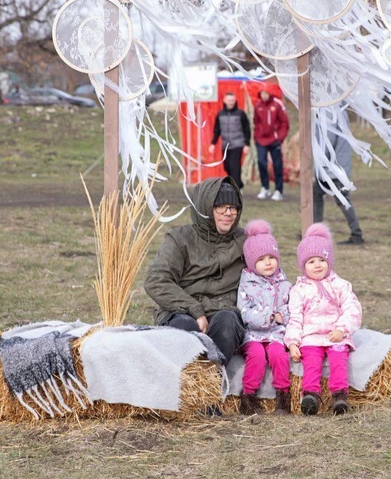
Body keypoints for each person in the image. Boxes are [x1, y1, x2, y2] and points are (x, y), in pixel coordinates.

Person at [144, 177, 246, 365]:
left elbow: (269, 275)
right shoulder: (180, 238)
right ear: (206, 209)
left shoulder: (244, 241)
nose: (228, 213)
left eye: (233, 207)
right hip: (182, 309)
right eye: (220, 207)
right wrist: (195, 310)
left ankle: (213, 381)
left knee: (226, 323)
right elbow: (156, 280)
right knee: (185, 328)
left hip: (223, 310)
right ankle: (185, 383)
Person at [285, 223, 362, 416]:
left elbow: (352, 309)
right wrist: (293, 342)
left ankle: (339, 396)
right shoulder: (299, 290)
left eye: (321, 259)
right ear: (303, 266)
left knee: (338, 359)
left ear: (329, 261)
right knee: (311, 361)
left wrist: (342, 330)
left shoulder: (340, 285)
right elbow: (295, 318)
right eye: (311, 262)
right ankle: (310, 394)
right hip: (311, 337)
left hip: (335, 334)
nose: (317, 265)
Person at [237, 220, 292, 416]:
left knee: (279, 355)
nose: (268, 262)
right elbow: (244, 311)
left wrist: (281, 316)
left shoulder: (284, 283)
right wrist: (267, 317)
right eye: (261, 259)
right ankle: (249, 396)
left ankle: (283, 396)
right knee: (257, 356)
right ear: (252, 263)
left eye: (271, 257)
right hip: (253, 334)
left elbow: (290, 307)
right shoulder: (247, 284)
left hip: (276, 333)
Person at [314, 112, 364, 245]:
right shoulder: (335, 111)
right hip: (332, 168)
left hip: (333, 169)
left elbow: (327, 141)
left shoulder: (330, 113)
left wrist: (318, 157)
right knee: (316, 195)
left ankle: (357, 234)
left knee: (342, 200)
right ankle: (314, 232)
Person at [208, 92, 251, 189]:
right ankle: (239, 184)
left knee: (234, 166)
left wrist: (246, 144)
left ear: (235, 101)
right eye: (229, 100)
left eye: (232, 100)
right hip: (225, 145)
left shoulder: (241, 113)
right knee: (227, 167)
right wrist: (213, 144)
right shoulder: (220, 114)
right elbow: (217, 130)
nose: (231, 102)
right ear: (224, 100)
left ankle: (236, 189)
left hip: (237, 144)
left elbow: (246, 129)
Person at [253, 89, 290, 201]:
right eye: (262, 94)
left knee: (277, 165)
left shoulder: (277, 104)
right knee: (261, 162)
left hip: (275, 140)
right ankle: (265, 187)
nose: (264, 96)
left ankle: (279, 190)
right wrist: (257, 136)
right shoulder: (258, 105)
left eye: (266, 93)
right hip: (261, 140)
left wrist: (280, 137)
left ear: (270, 93)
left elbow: (284, 123)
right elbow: (256, 122)